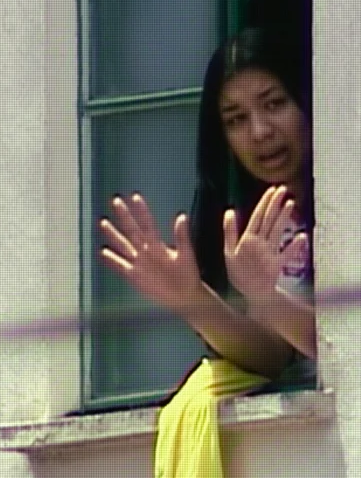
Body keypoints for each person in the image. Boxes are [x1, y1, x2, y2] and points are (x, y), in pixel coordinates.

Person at [98, 27, 315, 477]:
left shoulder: (355, 205)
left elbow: (343, 347)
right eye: (235, 119)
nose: (260, 132)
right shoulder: (237, 226)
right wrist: (192, 299)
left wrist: (267, 297)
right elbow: (271, 358)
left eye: (274, 104)